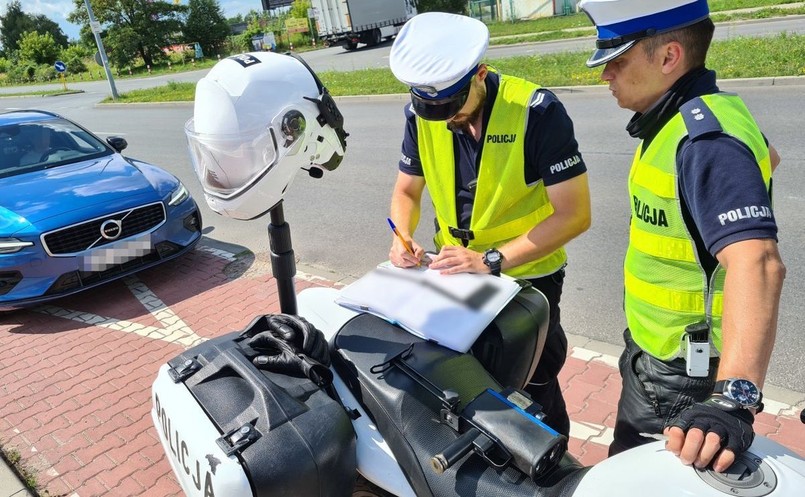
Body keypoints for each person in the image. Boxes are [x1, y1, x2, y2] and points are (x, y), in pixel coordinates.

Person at [578, 0, 786, 472]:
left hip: (683, 382)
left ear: (669, 57)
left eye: (617, 59)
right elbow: (768, 158)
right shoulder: (693, 116)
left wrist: (733, 399)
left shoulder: (702, 140)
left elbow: (759, 262)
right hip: (658, 358)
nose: (605, 75)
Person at [387, 12, 591, 438]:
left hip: (529, 276)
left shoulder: (536, 111)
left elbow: (575, 213)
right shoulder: (422, 115)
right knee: (466, 376)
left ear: (479, 74)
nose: (443, 120)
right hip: (457, 270)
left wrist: (492, 260)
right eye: (431, 110)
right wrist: (401, 236)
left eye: (451, 107)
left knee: (533, 383)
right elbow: (407, 191)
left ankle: (551, 466)